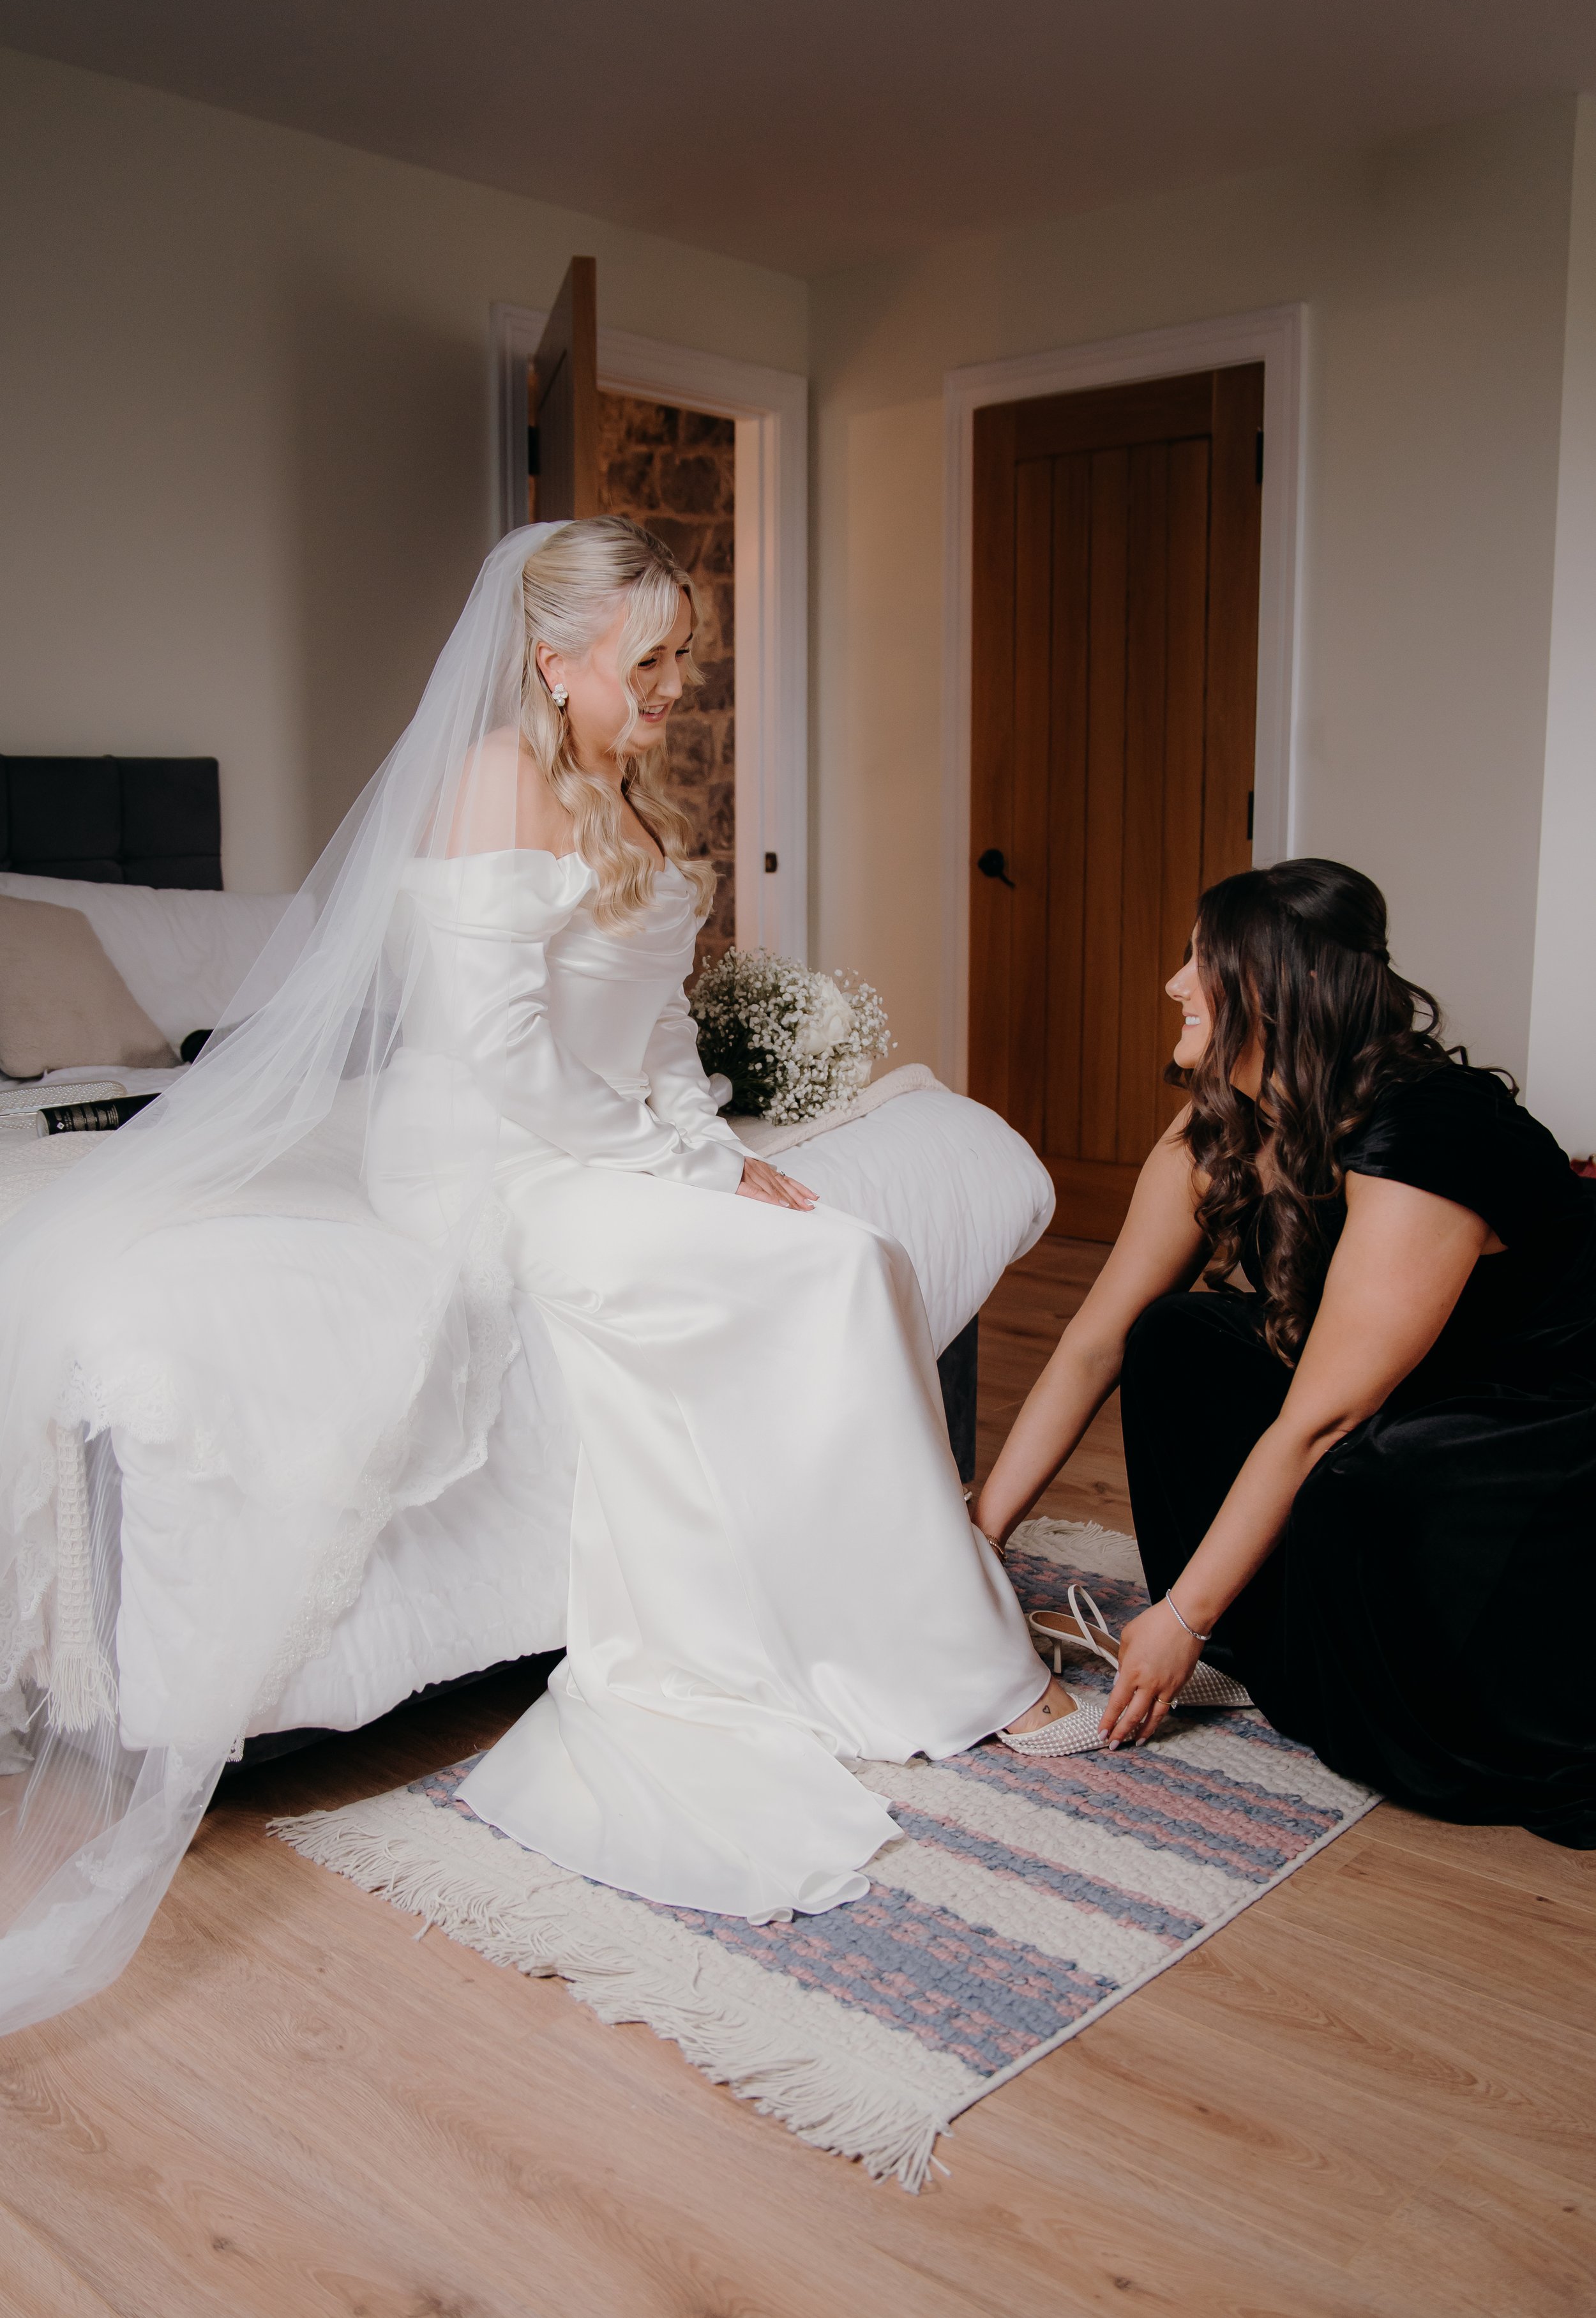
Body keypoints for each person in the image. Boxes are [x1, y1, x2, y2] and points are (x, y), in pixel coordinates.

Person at [0, 519, 1071, 2033]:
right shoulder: (490, 783)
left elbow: (657, 1039)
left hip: (595, 1142)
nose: (676, 685)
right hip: (480, 1162)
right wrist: (668, 1170)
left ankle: (871, 1627)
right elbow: (501, 1061)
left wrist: (718, 1157)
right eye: (653, 658)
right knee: (814, 1276)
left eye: (678, 655)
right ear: (555, 662)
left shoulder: (619, 788)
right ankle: (970, 1674)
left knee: (834, 1245)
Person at [974, 858, 1596, 1848]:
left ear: (1277, 987)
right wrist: (982, 1534)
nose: (1176, 982)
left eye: (1200, 959)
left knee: (1362, 1472)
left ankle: (1290, 1660)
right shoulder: (1219, 1120)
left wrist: (1179, 1612)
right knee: (1172, 1338)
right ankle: (1261, 1648)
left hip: (1539, 1428)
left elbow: (1324, 1418)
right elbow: (1093, 1343)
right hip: (1402, 1391)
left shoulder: (1427, 1133)